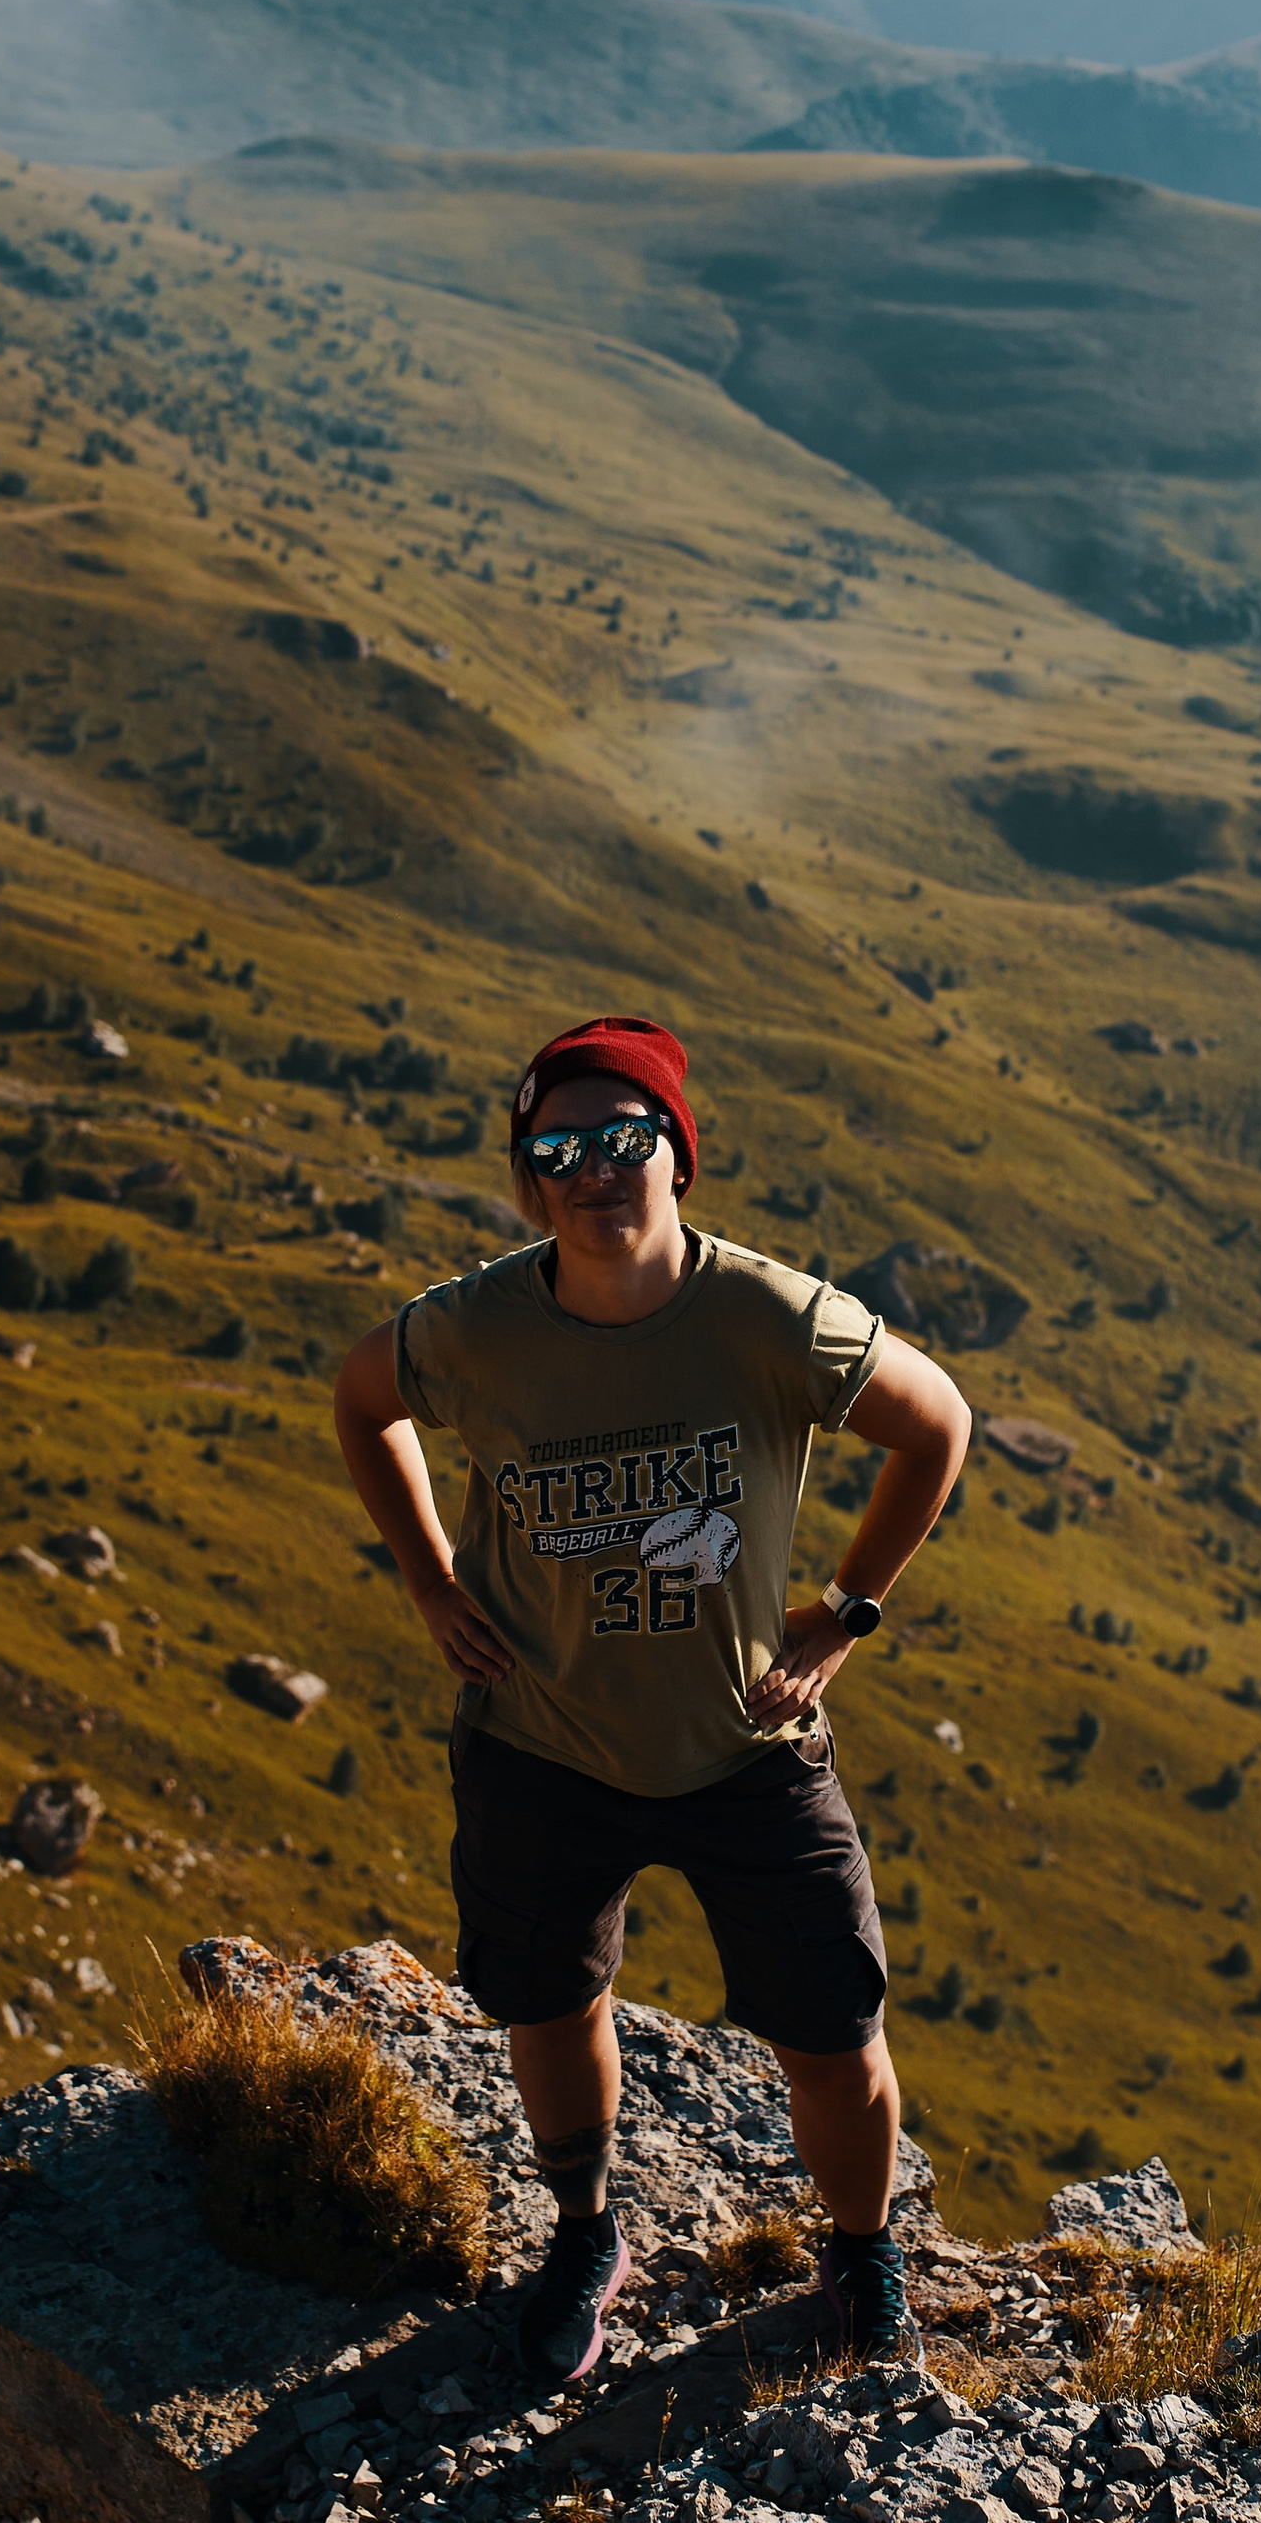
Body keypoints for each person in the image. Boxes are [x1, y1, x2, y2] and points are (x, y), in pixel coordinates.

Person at [333, 1013, 972, 2385]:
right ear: (529, 1178)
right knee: (551, 2007)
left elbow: (939, 1425)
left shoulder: (766, 1318)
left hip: (748, 1746)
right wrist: (431, 1581)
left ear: (678, 1155)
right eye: (555, 1148)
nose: (591, 1169)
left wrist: (848, 1613)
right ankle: (585, 2232)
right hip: (542, 1745)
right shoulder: (476, 1329)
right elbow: (359, 1398)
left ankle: (862, 2258)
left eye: (625, 1139)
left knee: (835, 2035)